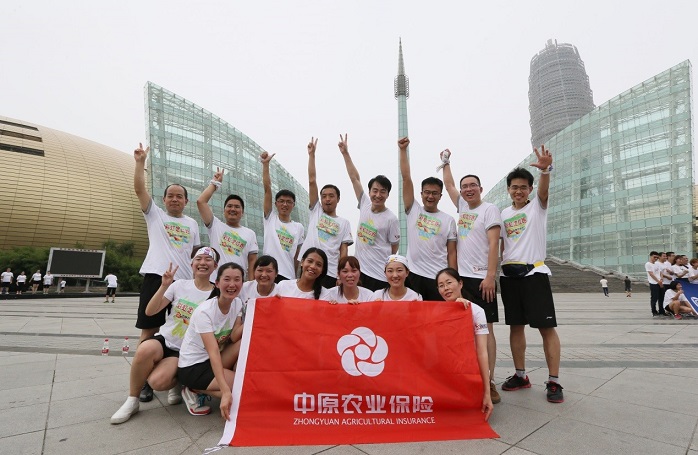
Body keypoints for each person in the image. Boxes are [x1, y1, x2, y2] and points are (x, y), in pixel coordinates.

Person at [110, 246, 220, 424]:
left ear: (215, 266)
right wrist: (163, 286)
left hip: (186, 351)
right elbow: (150, 311)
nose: (203, 263)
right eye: (198, 259)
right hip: (165, 340)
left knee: (157, 382)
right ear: (191, 264)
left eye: (208, 260)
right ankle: (132, 400)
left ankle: (180, 381)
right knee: (145, 349)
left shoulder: (216, 295)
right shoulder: (179, 285)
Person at [499, 145, 564, 403]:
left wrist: (546, 171)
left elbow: (544, 192)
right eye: (514, 187)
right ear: (508, 190)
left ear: (529, 189)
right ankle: (520, 375)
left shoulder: (537, 206)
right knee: (516, 327)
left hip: (534, 274)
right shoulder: (503, 214)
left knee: (546, 328)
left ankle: (554, 381)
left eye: (523, 187)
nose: (518, 191)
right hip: (509, 277)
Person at [442, 148, 503, 404]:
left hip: (482, 280)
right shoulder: (463, 207)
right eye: (465, 186)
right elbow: (448, 185)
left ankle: (490, 380)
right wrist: (445, 162)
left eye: (472, 186)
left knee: (486, 329)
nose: (468, 189)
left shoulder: (490, 209)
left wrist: (490, 276)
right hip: (462, 279)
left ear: (480, 188)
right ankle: (468, 376)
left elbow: (494, 243)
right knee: (462, 329)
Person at [133, 142, 201, 346]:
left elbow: (195, 254)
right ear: (163, 200)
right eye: (170, 196)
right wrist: (140, 163)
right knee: (149, 328)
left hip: (183, 282)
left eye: (179, 196)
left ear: (186, 202)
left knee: (179, 329)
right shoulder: (155, 215)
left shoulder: (192, 223)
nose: (174, 199)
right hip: (156, 277)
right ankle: (143, 363)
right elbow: (139, 190)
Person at [178, 262, 245, 420]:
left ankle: (205, 388)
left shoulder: (237, 303)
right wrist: (225, 391)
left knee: (242, 344)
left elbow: (234, 337)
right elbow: (213, 351)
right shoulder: (205, 312)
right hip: (193, 367)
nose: (232, 284)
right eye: (227, 279)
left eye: (237, 280)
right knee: (241, 387)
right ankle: (194, 388)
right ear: (217, 283)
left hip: (211, 360)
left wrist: (255, 317)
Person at [339, 134, 400, 291]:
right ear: (370, 191)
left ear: (388, 194)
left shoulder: (391, 219)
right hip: (359, 273)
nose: (378, 195)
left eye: (383, 191)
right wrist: (345, 153)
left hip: (378, 275)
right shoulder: (365, 204)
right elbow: (354, 178)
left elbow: (394, 248)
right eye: (375, 190)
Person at [398, 137, 457, 301]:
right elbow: (406, 178)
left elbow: (452, 252)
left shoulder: (448, 220)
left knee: (437, 316)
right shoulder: (413, 210)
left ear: (440, 196)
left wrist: (453, 278)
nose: (430, 196)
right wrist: (403, 150)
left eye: (434, 193)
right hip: (413, 276)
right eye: (427, 192)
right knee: (413, 315)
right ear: (421, 194)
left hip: (438, 278)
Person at [435, 268, 493, 421]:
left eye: (449, 283)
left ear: (460, 284)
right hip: (445, 370)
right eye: (441, 285)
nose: (446, 288)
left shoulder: (476, 311)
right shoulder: (436, 312)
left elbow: (482, 352)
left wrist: (487, 392)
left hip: (467, 369)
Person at [299, 137, 353, 289]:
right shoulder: (316, 211)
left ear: (338, 199)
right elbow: (312, 180)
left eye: (331, 196)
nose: (327, 199)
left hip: (330, 272)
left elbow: (343, 250)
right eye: (324, 196)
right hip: (308, 268)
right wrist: (311, 155)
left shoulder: (344, 223)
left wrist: (341, 274)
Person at [197, 167, 258, 280]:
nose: (233, 209)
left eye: (237, 207)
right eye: (229, 206)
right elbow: (201, 202)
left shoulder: (250, 233)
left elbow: (252, 262)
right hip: (215, 282)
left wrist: (251, 286)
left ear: (242, 213)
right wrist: (215, 184)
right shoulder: (215, 225)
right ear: (224, 211)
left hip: (237, 284)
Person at [261, 152, 305, 282]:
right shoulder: (270, 218)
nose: (285, 204)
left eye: (288, 202)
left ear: (293, 205)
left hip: (288, 276)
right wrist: (265, 165)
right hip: (268, 273)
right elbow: (267, 189)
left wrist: (295, 276)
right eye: (281, 201)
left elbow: (297, 256)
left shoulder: (298, 227)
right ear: (276, 204)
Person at [239, 255, 279, 321]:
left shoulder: (281, 292)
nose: (264, 275)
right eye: (260, 270)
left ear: (276, 273)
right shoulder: (244, 288)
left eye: (269, 271)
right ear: (254, 271)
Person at [645, 251, 662, 316]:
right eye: (654, 257)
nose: (656, 258)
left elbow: (660, 272)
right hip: (653, 283)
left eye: (657, 257)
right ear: (651, 256)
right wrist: (658, 281)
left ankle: (661, 310)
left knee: (661, 297)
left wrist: (661, 280)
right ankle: (654, 311)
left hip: (660, 282)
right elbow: (651, 274)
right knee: (654, 298)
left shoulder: (657, 264)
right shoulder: (648, 264)